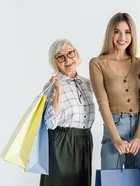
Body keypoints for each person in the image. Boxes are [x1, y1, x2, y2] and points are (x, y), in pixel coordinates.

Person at [89, 12, 140, 169]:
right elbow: (102, 102)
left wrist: (139, 136)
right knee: (111, 180)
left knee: (137, 180)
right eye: (117, 31)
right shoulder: (97, 63)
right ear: (110, 33)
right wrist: (115, 138)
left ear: (132, 35)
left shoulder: (139, 63)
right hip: (114, 126)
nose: (122, 37)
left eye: (127, 32)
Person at [39, 39, 96, 186]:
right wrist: (58, 91)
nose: (68, 59)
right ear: (55, 62)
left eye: (70, 53)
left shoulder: (88, 83)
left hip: (84, 141)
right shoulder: (53, 84)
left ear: (76, 53)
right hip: (62, 142)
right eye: (61, 57)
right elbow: (50, 124)